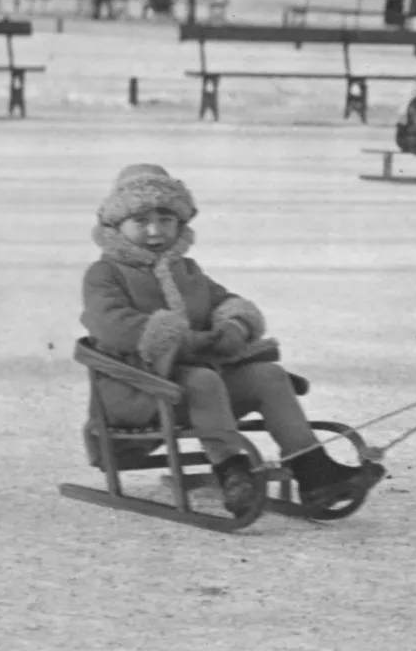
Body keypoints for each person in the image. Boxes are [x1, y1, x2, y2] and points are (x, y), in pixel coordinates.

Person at [81, 164, 386, 519]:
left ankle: (314, 470)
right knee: (203, 380)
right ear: (116, 225)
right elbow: (111, 324)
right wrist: (178, 339)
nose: (155, 231)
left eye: (165, 219)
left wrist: (235, 325)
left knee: (267, 376)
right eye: (141, 221)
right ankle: (231, 470)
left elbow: (223, 302)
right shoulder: (105, 274)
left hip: (192, 390)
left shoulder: (186, 270)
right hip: (137, 390)